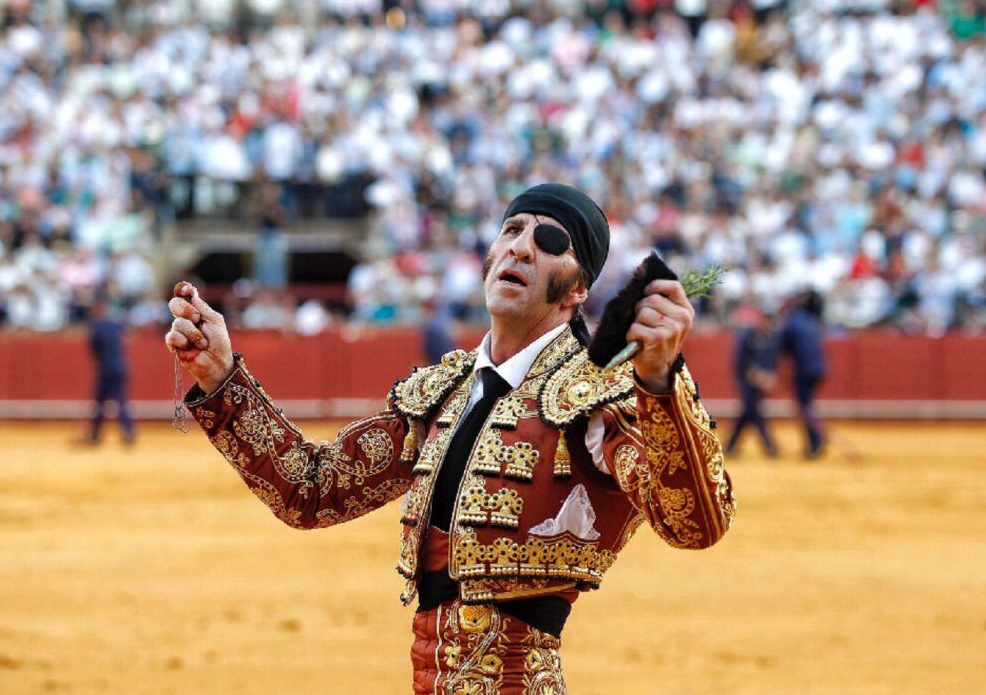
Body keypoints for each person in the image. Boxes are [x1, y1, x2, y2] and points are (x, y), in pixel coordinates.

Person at [164, 183, 735, 693]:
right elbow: (311, 491)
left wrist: (660, 384)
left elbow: (695, 524)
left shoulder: (595, 397)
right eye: (511, 230)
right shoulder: (444, 391)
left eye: (550, 241)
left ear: (577, 289)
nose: (520, 247)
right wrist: (220, 374)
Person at [725, 305, 778, 458]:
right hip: (745, 381)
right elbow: (740, 362)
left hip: (758, 382)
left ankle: (730, 446)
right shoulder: (748, 336)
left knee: (747, 413)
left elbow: (770, 362)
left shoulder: (768, 338)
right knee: (755, 412)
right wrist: (756, 375)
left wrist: (768, 376)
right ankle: (770, 447)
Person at [780, 290, 828, 458]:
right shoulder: (810, 320)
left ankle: (816, 439)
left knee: (804, 405)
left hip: (804, 369)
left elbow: (781, 347)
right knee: (807, 404)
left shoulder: (790, 322)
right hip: (820, 368)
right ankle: (816, 436)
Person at [86, 298, 135, 445]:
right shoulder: (115, 325)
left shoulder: (96, 327)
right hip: (120, 366)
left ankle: (95, 435)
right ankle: (128, 433)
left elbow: (95, 350)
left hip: (105, 368)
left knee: (100, 402)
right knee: (121, 401)